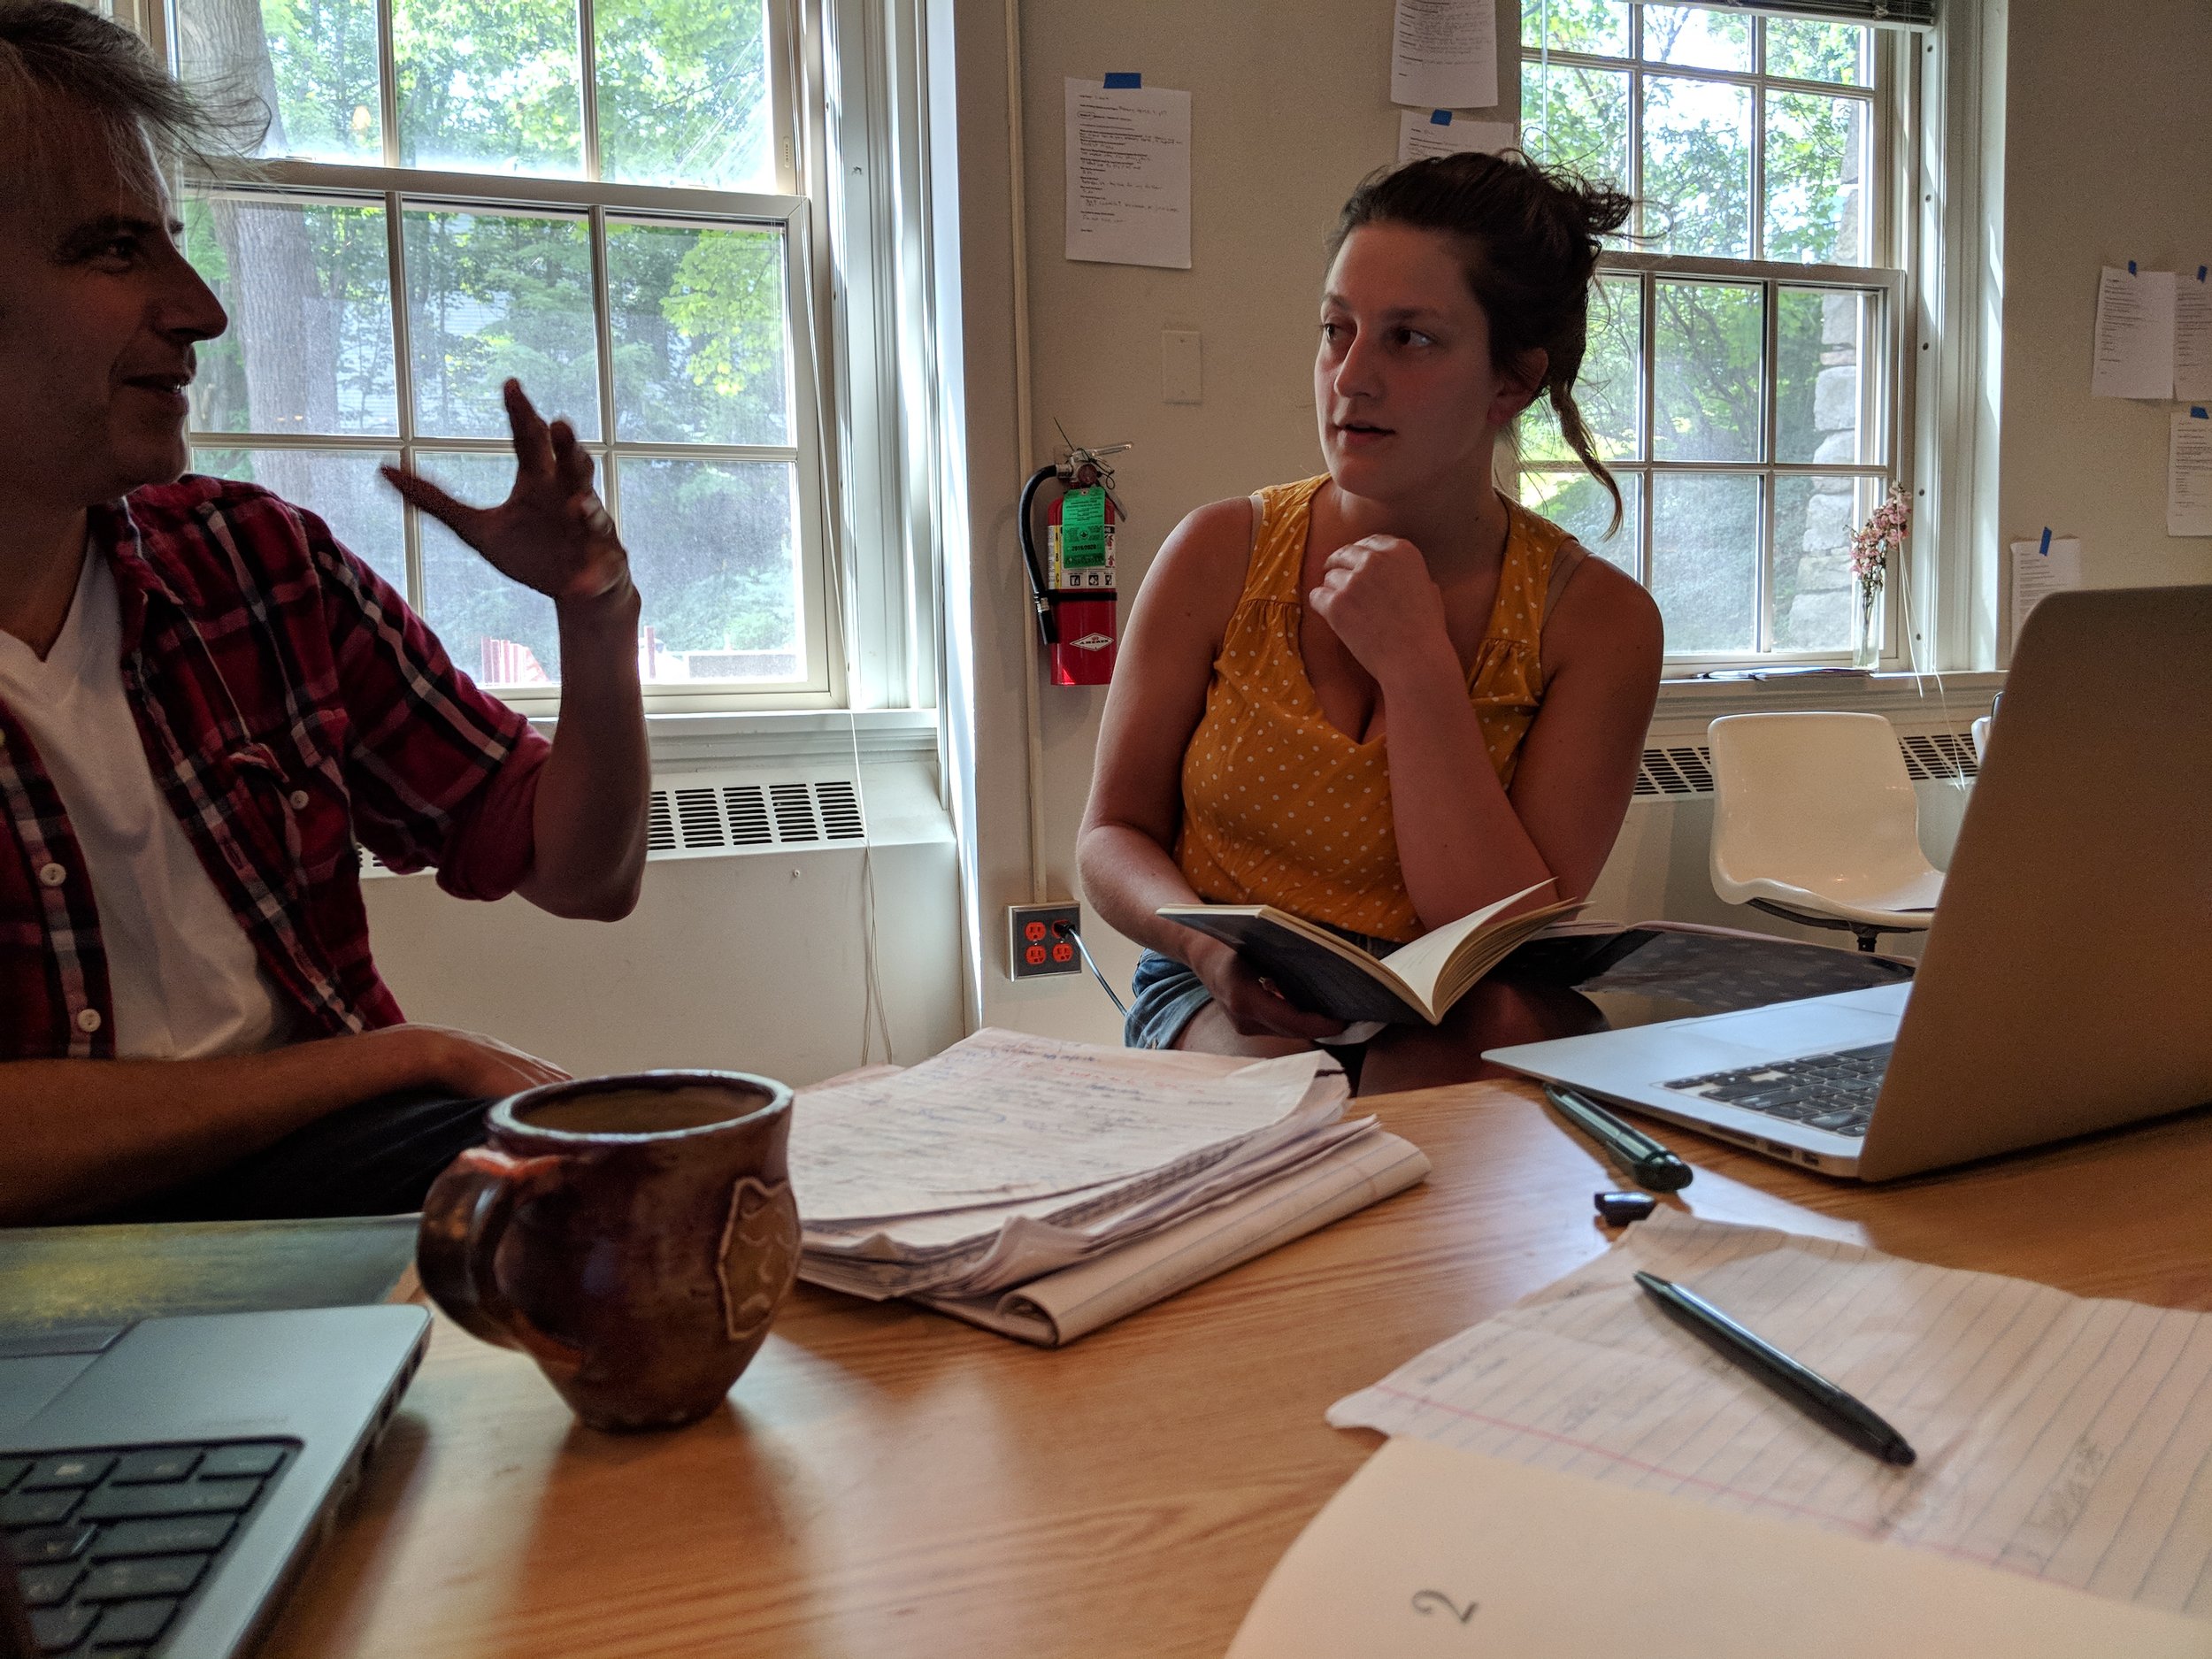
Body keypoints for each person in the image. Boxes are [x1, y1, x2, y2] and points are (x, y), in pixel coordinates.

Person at [0, 0, 650, 1224]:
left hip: (329, 1185)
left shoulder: (253, 564)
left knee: (628, 1189)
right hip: (46, 1257)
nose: (201, 307)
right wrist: (399, 1055)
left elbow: (586, 869)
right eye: (112, 249)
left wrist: (595, 611)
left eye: (175, 244)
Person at [1078, 151, 1664, 1095]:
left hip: (1466, 992)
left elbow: (1491, 930)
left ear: (1510, 382)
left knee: (1447, 1074)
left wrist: (1418, 668)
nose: (1351, 378)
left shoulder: (1595, 620)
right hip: (1219, 984)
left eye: (1410, 340)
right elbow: (1110, 835)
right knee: (1286, 1103)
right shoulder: (1220, 551)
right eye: (1335, 331)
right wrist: (1202, 945)